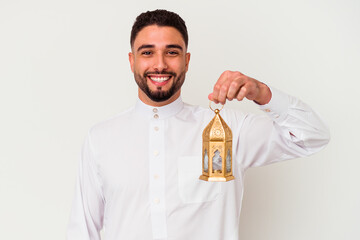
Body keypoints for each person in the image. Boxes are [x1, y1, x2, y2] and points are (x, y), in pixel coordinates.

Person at [67, 9, 330, 240]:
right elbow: (82, 232)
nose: (160, 64)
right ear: (132, 60)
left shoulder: (230, 129)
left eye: (172, 52)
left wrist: (261, 92)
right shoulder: (100, 139)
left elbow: (312, 136)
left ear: (187, 60)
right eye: (147, 52)